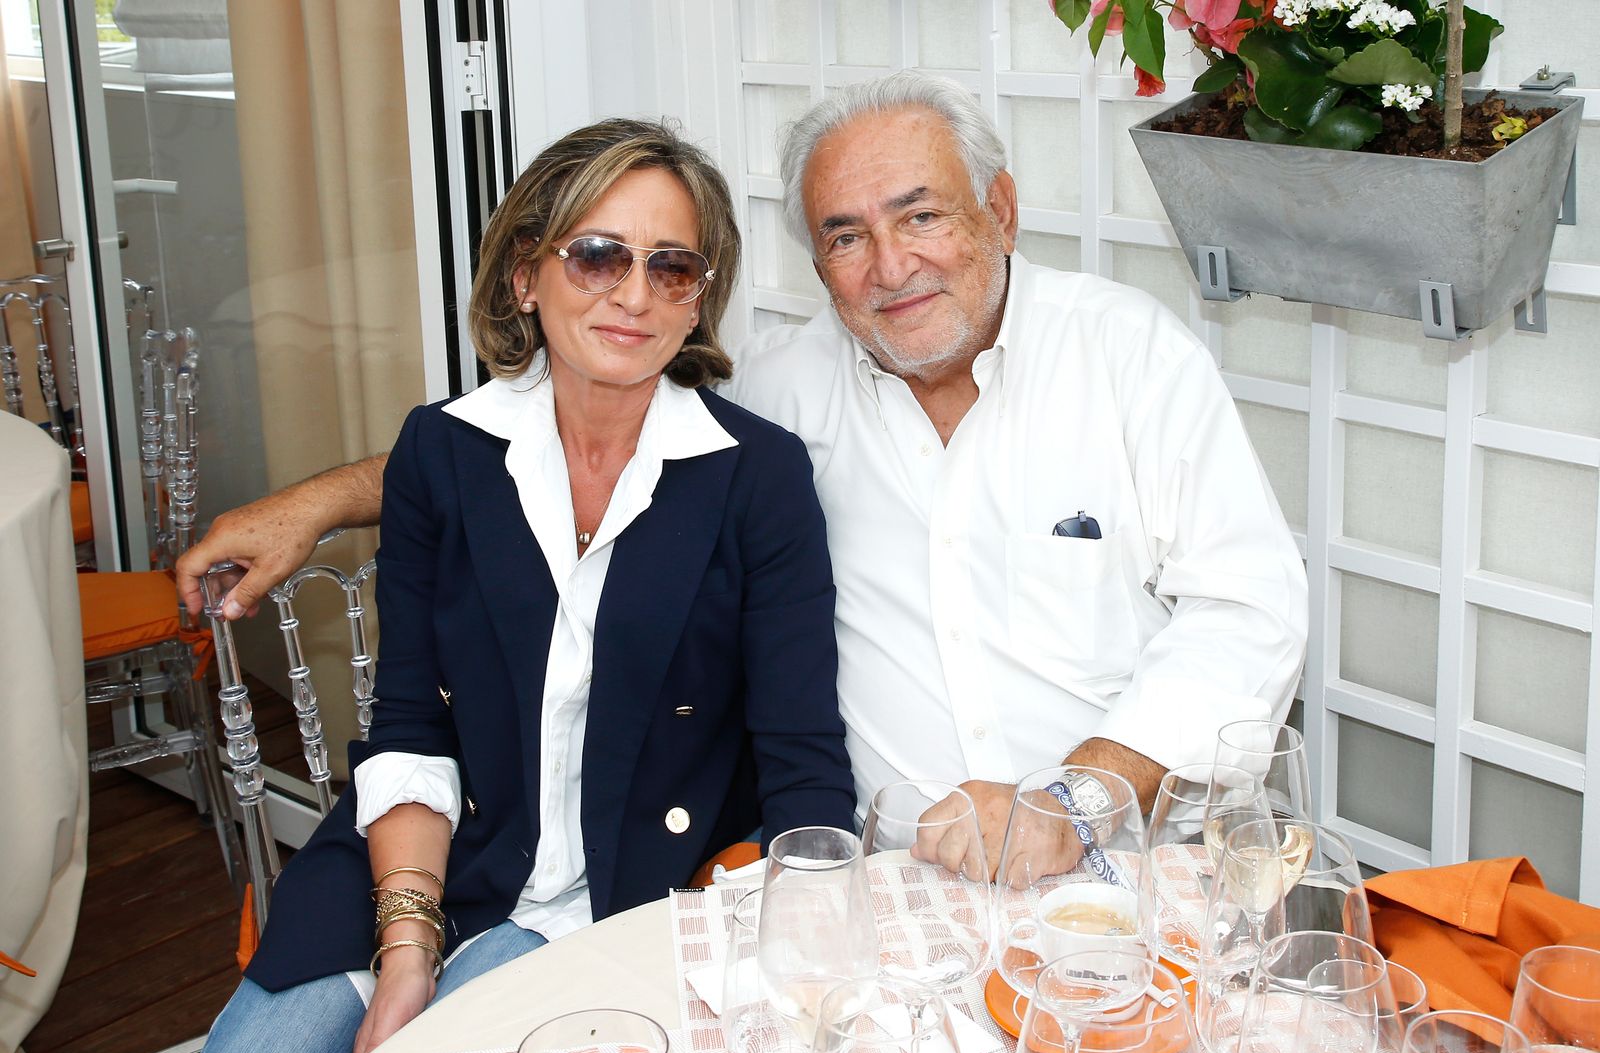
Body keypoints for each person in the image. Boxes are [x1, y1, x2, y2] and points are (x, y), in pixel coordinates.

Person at [180, 70, 1306, 876]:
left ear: (998, 213)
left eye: (921, 216)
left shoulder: (1130, 354)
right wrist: (318, 503)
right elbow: (574, 439)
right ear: (812, 260)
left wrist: (1081, 791)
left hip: (1125, 859)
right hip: (883, 879)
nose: (890, 265)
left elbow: (1248, 609)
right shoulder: (780, 394)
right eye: (846, 234)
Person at [195, 118, 855, 1053]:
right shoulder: (441, 452)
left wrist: (817, 959)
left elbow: (801, 754)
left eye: (672, 267)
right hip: (423, 859)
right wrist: (407, 946)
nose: (634, 294)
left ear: (699, 299)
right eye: (596, 257)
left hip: (606, 894)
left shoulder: (757, 477)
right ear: (524, 275)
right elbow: (413, 719)